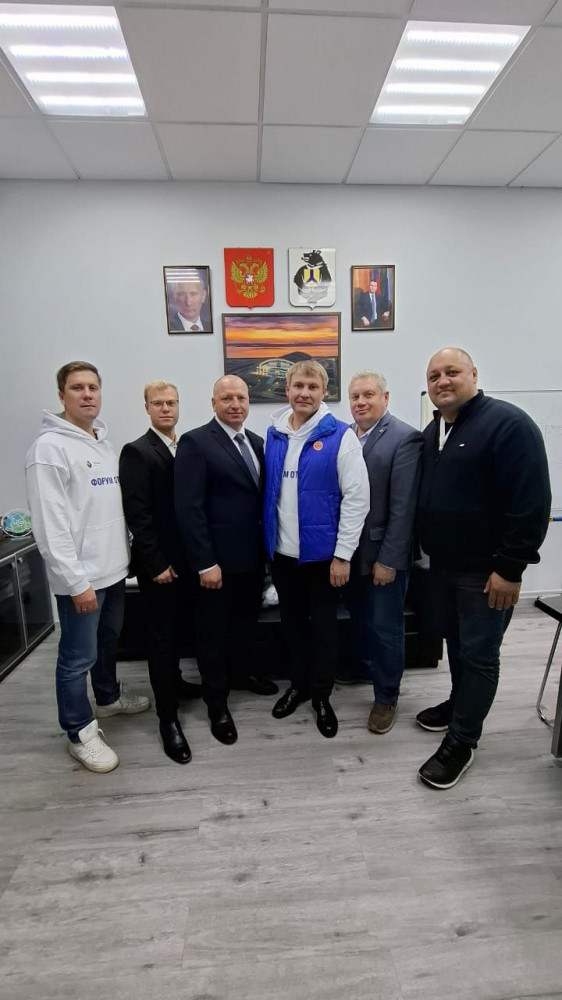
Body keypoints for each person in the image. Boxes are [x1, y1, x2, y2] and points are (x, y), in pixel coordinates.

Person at [416, 347, 551, 789]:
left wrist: (511, 569)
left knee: (479, 656)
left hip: (487, 573)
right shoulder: (435, 430)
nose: (442, 381)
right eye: (434, 376)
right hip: (444, 568)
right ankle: (460, 705)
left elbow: (531, 503)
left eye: (451, 372)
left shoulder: (508, 425)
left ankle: (462, 741)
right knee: (457, 647)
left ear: (473, 374)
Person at [25, 362, 150, 774]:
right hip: (82, 579)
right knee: (77, 657)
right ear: (61, 395)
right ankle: (79, 732)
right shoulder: (48, 450)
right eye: (77, 388)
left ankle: (108, 697)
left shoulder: (101, 444)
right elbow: (50, 526)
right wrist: (76, 582)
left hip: (114, 572)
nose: (87, 394)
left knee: (108, 642)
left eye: (93, 387)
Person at [263, 360, 370, 738]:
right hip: (283, 556)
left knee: (324, 629)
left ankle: (322, 696)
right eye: (298, 386)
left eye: (312, 387)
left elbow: (357, 499)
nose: (304, 393)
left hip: (324, 559)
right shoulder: (274, 434)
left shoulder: (341, 436)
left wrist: (342, 556)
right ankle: (299, 685)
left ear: (324, 392)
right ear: (287, 390)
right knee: (292, 627)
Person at [174, 375, 278, 746]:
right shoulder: (196, 442)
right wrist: (205, 562)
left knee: (243, 627)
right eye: (227, 398)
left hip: (251, 561)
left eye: (241, 398)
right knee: (212, 636)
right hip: (215, 565)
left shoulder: (257, 443)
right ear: (213, 403)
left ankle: (241, 676)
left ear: (249, 402)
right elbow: (189, 509)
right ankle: (216, 703)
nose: (235, 404)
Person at [119, 381, 202, 766]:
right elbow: (138, 515)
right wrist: (156, 564)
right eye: (158, 403)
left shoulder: (184, 447)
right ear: (147, 408)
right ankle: (167, 718)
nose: (166, 408)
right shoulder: (137, 451)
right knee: (162, 641)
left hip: (187, 563)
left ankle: (177, 683)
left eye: (171, 402)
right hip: (160, 568)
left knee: (181, 631)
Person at [340, 370, 423, 734]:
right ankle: (364, 668)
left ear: (385, 398)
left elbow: (403, 510)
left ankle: (387, 696)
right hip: (350, 553)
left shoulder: (405, 438)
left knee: (385, 627)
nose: (361, 402)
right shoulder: (346, 435)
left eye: (369, 395)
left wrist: (389, 560)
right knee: (360, 619)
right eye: (355, 396)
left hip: (382, 555)